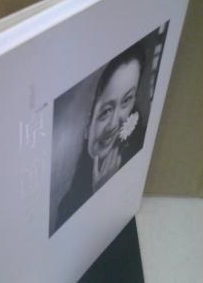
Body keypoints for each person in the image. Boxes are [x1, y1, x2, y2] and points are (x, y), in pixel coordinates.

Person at [55, 43, 147, 231]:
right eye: (105, 111)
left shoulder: (137, 151)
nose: (114, 124)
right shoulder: (68, 206)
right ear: (87, 128)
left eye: (127, 100)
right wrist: (101, 192)